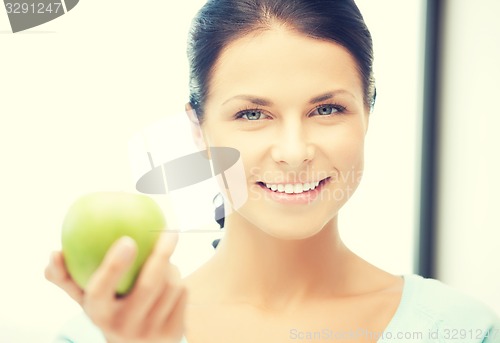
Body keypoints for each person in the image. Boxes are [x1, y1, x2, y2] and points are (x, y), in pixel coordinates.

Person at [45, 0, 500, 342]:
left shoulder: (464, 331)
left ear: (368, 112)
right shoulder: (99, 335)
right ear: (197, 130)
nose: (294, 151)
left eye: (327, 108)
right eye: (251, 114)